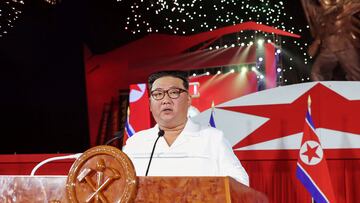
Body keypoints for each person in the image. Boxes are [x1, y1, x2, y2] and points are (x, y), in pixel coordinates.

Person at [123, 70, 249, 186]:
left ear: (188, 99)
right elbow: (121, 187)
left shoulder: (213, 138)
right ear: (150, 104)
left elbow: (240, 183)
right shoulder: (135, 143)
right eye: (158, 94)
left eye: (173, 93)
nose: (165, 100)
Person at [301, 0, 360, 81]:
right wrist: (318, 41)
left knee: (355, 75)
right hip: (330, 47)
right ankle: (324, 92)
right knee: (317, 72)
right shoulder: (322, 15)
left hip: (344, 44)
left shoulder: (347, 6)